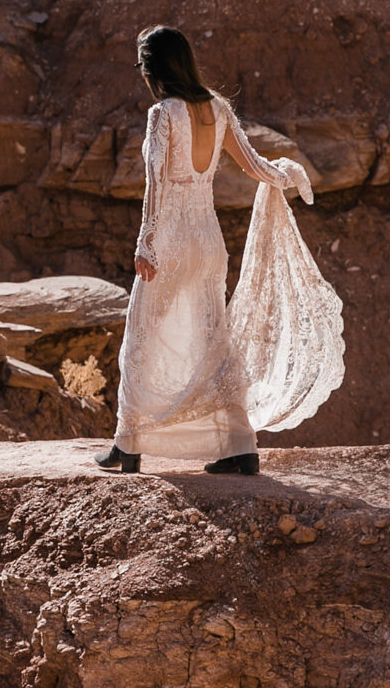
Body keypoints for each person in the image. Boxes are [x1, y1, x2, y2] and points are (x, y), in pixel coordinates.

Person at [103, 26, 344, 475]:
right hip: (209, 243)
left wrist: (146, 243)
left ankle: (129, 445)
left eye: (142, 66)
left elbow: (155, 182)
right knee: (215, 343)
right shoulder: (217, 109)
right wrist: (287, 174)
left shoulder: (162, 114)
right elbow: (256, 166)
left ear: (154, 67)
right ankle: (240, 448)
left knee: (142, 336)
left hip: (172, 241)